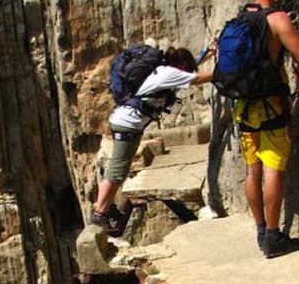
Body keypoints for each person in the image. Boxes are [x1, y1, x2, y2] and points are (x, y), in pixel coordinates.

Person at [235, 0, 299, 258]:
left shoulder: (240, 19)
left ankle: (259, 231)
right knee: (273, 169)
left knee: (252, 171)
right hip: (271, 105)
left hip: (243, 107)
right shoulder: (277, 19)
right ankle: (273, 235)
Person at [90, 46, 215, 233]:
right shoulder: (168, 73)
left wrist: (208, 53)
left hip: (128, 122)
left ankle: (106, 208)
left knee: (120, 170)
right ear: (181, 65)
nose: (189, 72)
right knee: (116, 171)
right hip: (128, 124)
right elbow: (196, 79)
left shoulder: (163, 70)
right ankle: (99, 214)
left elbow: (190, 71)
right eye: (188, 68)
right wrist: (228, 69)